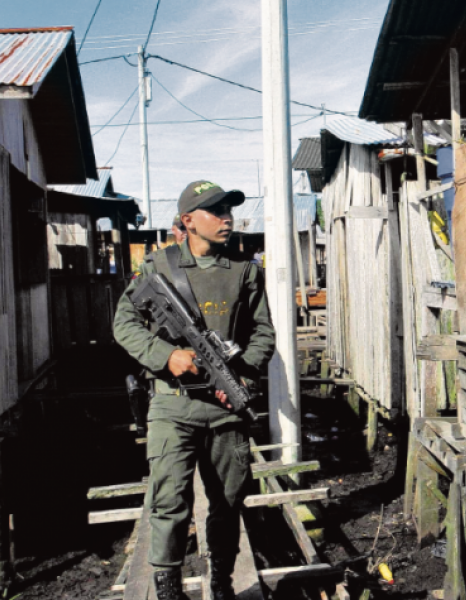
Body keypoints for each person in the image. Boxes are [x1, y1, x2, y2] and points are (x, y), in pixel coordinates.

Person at [113, 180, 275, 600]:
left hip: (225, 410)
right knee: (167, 501)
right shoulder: (157, 268)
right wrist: (166, 355)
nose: (227, 218)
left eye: (229, 210)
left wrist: (245, 375)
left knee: (228, 502)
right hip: (173, 405)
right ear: (188, 221)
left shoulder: (244, 271)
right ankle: (167, 589)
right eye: (215, 211)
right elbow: (124, 323)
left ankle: (221, 581)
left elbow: (263, 333)